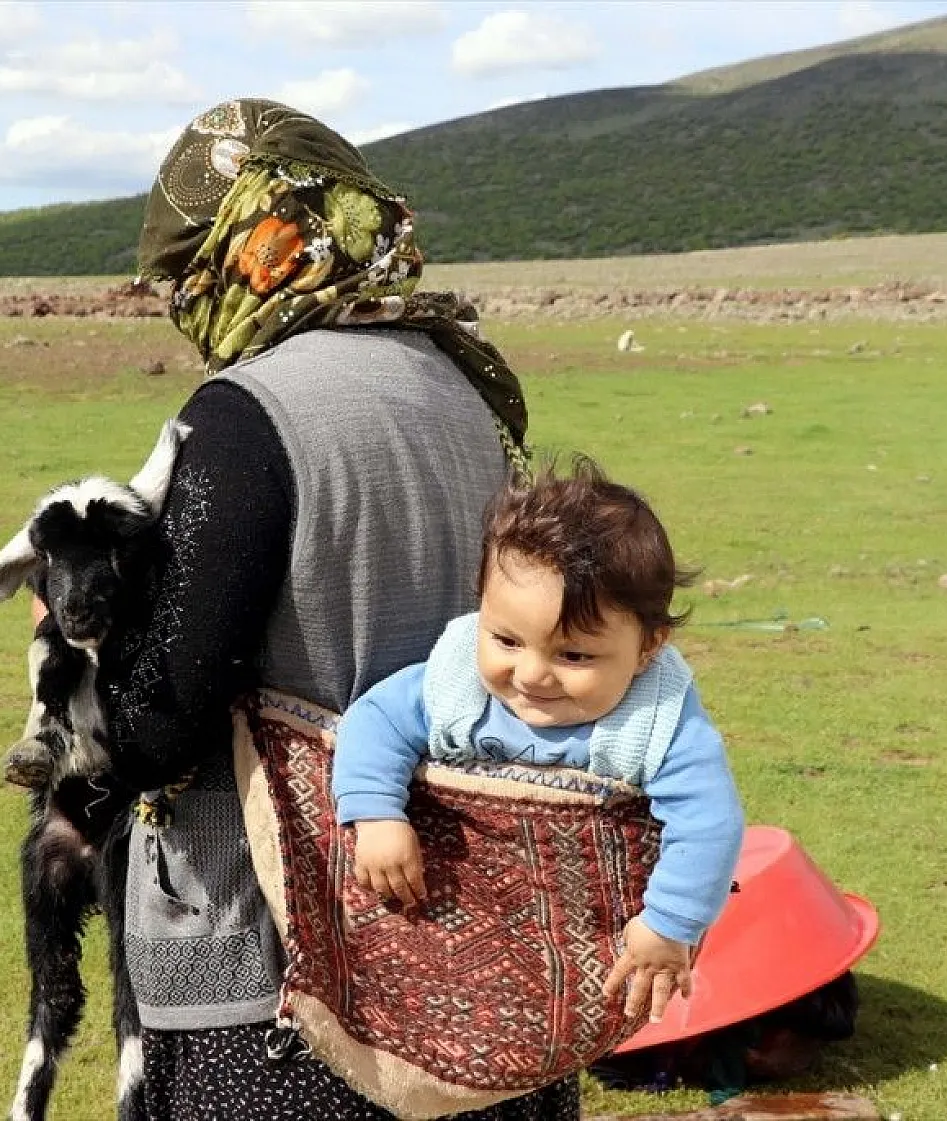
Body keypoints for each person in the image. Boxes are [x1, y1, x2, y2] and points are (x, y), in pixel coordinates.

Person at [95, 99, 576, 1119]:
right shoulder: (465, 386)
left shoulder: (244, 415)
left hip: (279, 980)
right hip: (472, 951)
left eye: (184, 266)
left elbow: (161, 726)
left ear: (246, 247)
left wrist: (86, 637)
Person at [332, 459, 745, 1025]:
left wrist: (667, 925)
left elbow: (709, 820)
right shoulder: (453, 685)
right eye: (506, 640)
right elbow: (373, 720)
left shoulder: (654, 721)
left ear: (649, 647)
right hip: (450, 929)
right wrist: (377, 815)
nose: (531, 675)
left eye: (573, 655)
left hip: (571, 945)